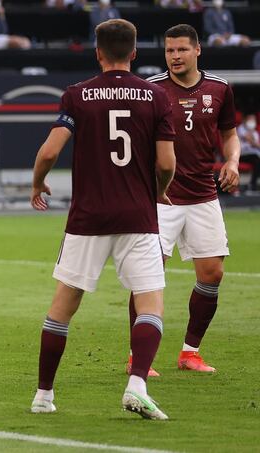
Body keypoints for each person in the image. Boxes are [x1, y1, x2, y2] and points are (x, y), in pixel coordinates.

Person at [29, 19, 176, 420]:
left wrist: (38, 183)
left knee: (63, 307)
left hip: (88, 218)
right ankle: (137, 384)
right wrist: (159, 189)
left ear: (97, 53)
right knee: (150, 304)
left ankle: (43, 395)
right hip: (138, 216)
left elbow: (48, 152)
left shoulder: (78, 95)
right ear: (134, 53)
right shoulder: (156, 96)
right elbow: (166, 162)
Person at [131, 24, 240, 374]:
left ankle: (189, 353)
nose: (175, 56)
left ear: (197, 51)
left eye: (181, 50)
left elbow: (229, 133)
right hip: (161, 200)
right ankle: (138, 358)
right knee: (148, 278)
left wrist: (233, 161)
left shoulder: (220, 89)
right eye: (169, 51)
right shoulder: (152, 90)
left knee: (212, 273)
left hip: (204, 195)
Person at [237, 113, 259, 192]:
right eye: (250, 119)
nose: (252, 121)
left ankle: (252, 184)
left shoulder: (256, 132)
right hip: (242, 155)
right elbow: (251, 140)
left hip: (253, 155)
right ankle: (252, 185)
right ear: (245, 120)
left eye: (253, 120)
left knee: (256, 160)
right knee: (256, 159)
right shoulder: (241, 128)